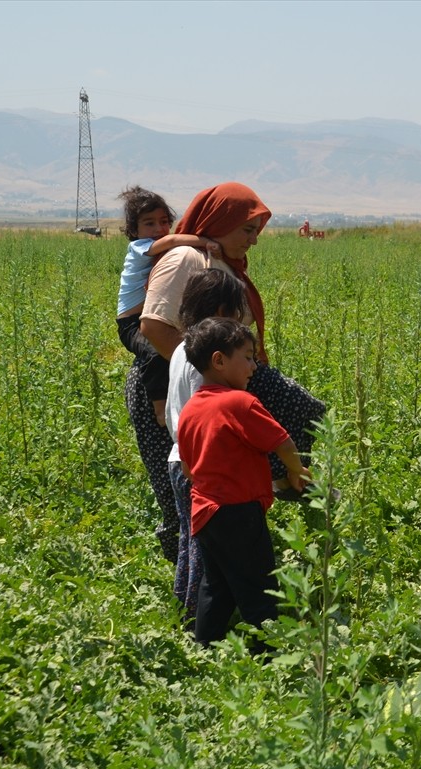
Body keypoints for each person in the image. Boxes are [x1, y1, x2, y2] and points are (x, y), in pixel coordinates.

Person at [130, 182, 325, 563]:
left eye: (257, 231)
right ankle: (196, 589)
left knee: (221, 483)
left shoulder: (219, 262)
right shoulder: (186, 257)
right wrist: (204, 376)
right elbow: (153, 326)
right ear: (220, 221)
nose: (253, 240)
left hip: (211, 386)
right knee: (185, 493)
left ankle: (282, 483)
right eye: (247, 229)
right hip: (170, 384)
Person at [177, 317, 312, 653]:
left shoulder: (191, 409)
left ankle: (203, 648)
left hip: (205, 512)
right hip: (239, 513)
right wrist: (297, 473)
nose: (254, 365)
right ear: (219, 361)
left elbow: (187, 468)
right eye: (248, 357)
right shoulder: (239, 403)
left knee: (216, 586)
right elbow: (282, 442)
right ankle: (269, 661)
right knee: (259, 588)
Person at [165, 270, 249, 624]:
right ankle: (203, 619)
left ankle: (184, 609)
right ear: (219, 311)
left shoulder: (182, 349)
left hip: (178, 458)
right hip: (201, 466)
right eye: (236, 313)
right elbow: (214, 418)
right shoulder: (209, 361)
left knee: (191, 540)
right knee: (208, 548)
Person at [115, 186, 221, 427]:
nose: (158, 229)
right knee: (154, 353)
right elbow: (173, 239)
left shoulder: (164, 251)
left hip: (151, 316)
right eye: (149, 223)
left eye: (164, 222)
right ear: (134, 230)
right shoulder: (139, 247)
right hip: (131, 324)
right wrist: (206, 242)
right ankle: (160, 410)